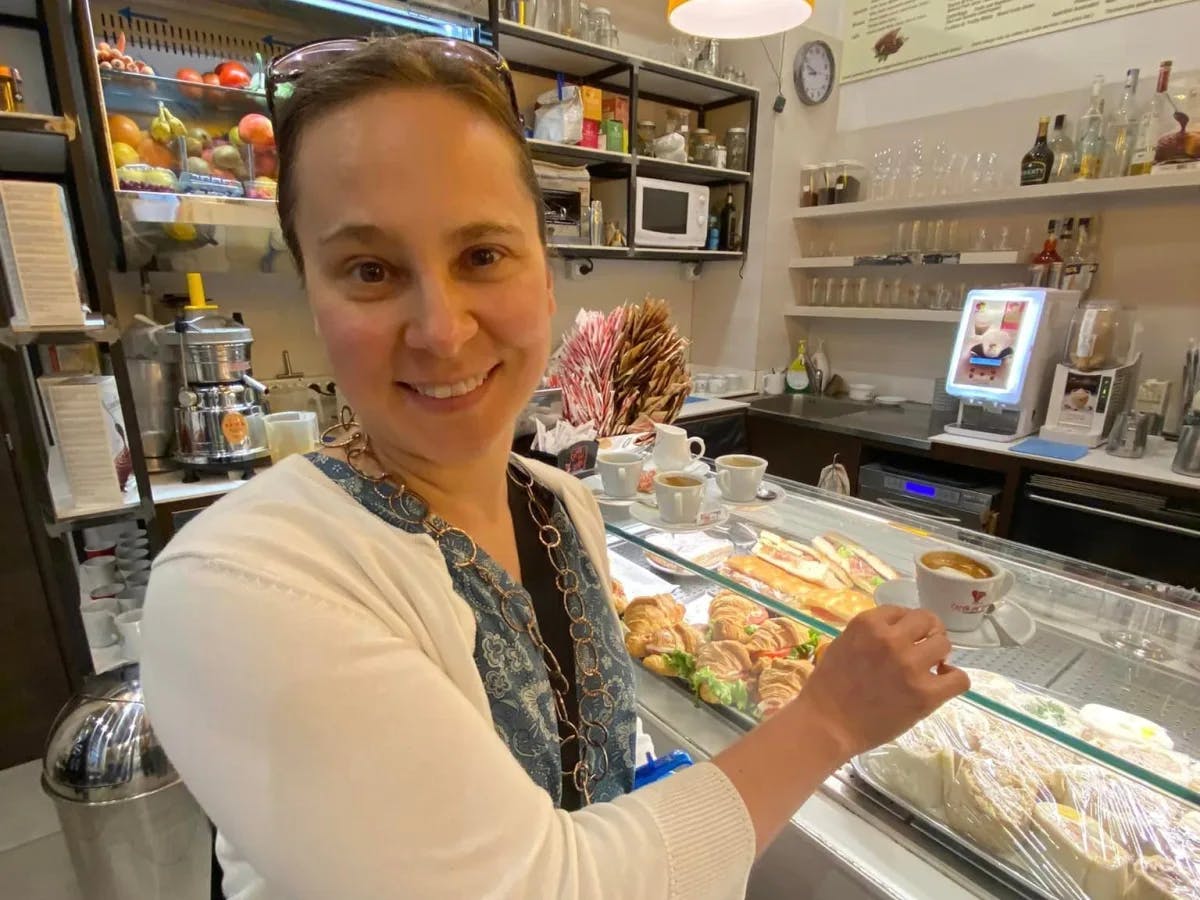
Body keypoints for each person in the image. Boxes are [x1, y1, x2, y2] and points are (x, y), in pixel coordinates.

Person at [141, 36, 968, 900]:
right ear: (314, 295)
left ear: (545, 280)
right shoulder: (241, 583)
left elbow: (595, 775)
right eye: (372, 270)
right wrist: (828, 721)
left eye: (482, 256)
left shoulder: (560, 503)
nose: (442, 330)